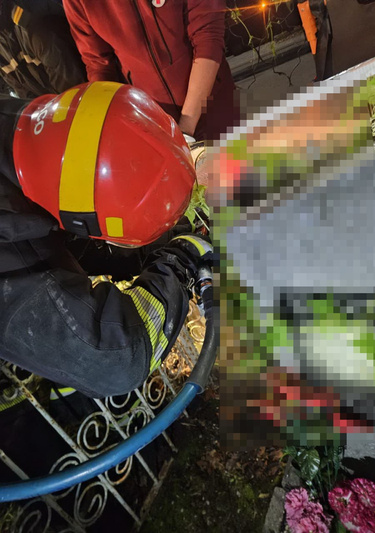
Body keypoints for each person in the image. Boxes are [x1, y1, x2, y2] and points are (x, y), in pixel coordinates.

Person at [0, 81, 212, 399]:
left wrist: (163, 242)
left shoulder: (38, 143)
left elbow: (70, 234)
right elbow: (116, 358)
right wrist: (182, 259)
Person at [63, 0, 236, 141]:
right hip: (152, 123)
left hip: (213, 100)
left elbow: (208, 36)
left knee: (237, 168)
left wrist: (186, 126)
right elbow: (98, 64)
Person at [0, 0, 86, 98]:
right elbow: (24, 94)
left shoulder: (35, 26)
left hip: (85, 96)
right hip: (53, 103)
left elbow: (72, 91)